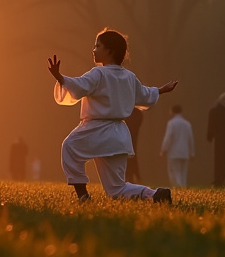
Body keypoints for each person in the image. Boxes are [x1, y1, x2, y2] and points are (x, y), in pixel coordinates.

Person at [47, 29, 178, 203]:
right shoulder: (129, 77)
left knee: (69, 147)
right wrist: (162, 90)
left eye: (97, 45)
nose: (93, 49)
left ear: (109, 50)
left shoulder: (98, 73)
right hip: (118, 136)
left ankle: (83, 197)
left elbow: (79, 86)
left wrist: (60, 77)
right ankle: (154, 194)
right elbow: (145, 94)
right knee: (116, 189)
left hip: (96, 129)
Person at [160, 104, 195, 188]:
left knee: (174, 172)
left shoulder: (171, 123)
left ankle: (178, 189)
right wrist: (192, 153)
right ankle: (184, 188)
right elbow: (191, 138)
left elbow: (168, 138)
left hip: (174, 152)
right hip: (185, 152)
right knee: (183, 173)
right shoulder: (187, 124)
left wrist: (163, 150)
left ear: (172, 111)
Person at [124, 108, 144, 183]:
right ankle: (133, 173)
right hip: (133, 112)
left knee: (128, 148)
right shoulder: (137, 113)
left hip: (129, 113)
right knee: (132, 146)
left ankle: (130, 174)